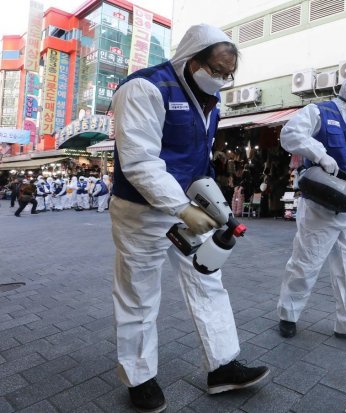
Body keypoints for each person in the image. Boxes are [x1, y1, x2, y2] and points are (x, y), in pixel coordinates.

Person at [110, 24, 269, 412]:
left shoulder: (211, 102)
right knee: (138, 294)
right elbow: (140, 161)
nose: (220, 78)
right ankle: (140, 377)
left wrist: (214, 207)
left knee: (208, 281)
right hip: (140, 211)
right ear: (191, 59)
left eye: (227, 73)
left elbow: (198, 160)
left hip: (189, 209)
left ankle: (222, 366)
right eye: (214, 69)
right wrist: (180, 207)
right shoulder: (145, 88)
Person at [276, 70, 346, 343]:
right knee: (305, 263)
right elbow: (290, 134)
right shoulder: (319, 111)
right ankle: (288, 314)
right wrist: (320, 155)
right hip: (319, 206)